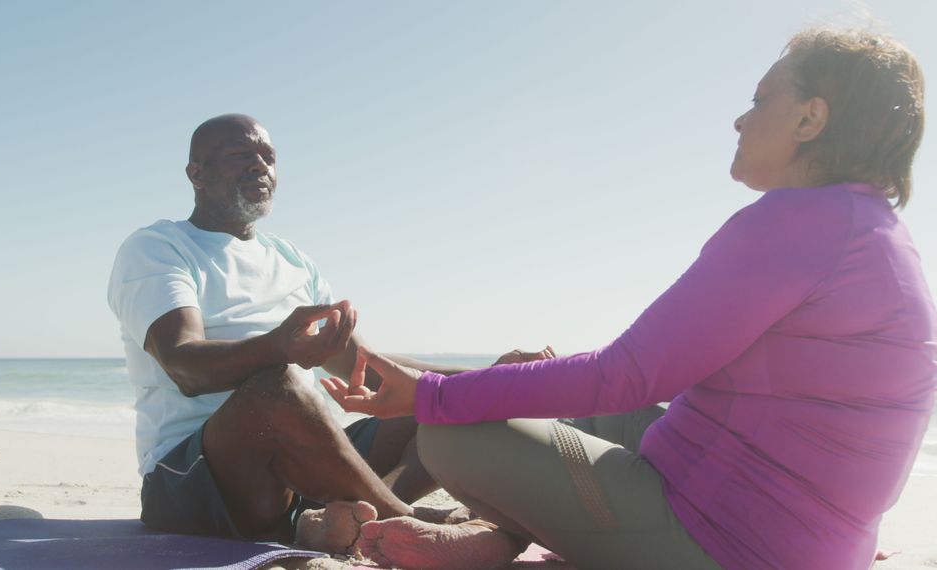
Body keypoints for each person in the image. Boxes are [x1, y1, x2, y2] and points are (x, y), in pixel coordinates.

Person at [323, 27, 934, 569]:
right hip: (814, 539)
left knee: (451, 434)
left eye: (759, 100)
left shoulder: (798, 222)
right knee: (561, 405)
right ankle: (497, 538)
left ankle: (505, 534)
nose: (741, 120)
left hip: (737, 545)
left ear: (811, 120)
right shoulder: (872, 232)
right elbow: (662, 374)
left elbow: (628, 373)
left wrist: (427, 394)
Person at [107, 114, 507, 549]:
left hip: (306, 475)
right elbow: (183, 365)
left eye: (269, 157)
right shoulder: (159, 247)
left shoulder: (291, 258)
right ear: (196, 174)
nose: (260, 167)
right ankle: (404, 525)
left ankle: (349, 519)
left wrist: (490, 379)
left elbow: (367, 367)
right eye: (241, 155)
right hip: (194, 478)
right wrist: (278, 347)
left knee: (434, 400)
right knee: (276, 385)